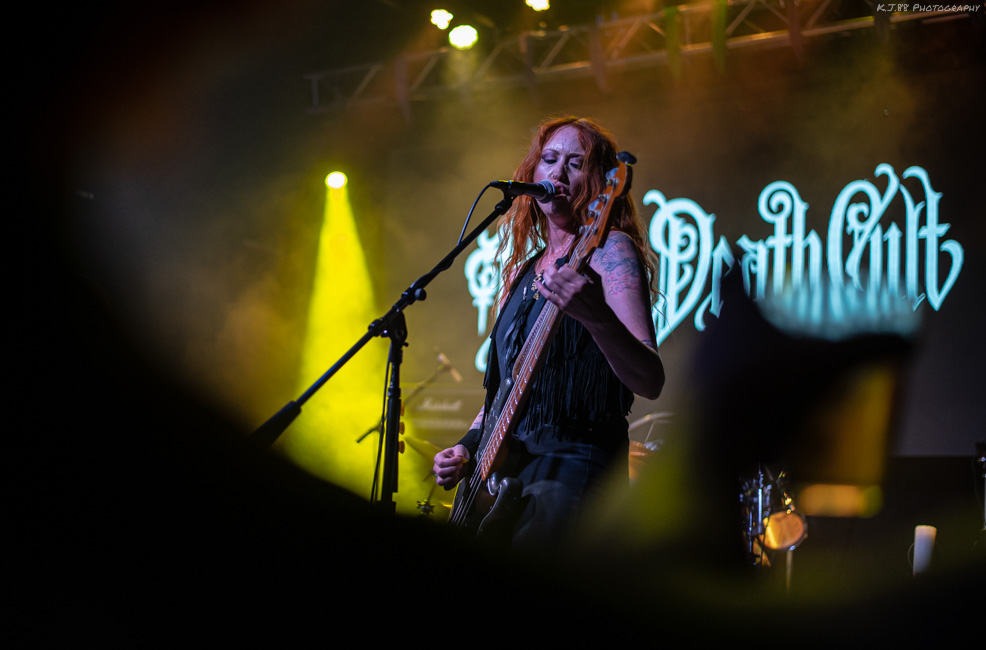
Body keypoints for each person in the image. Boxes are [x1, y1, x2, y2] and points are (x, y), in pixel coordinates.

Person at [433, 116, 664, 549]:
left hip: (572, 468)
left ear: (599, 183)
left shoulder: (609, 250)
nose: (557, 173)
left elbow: (650, 379)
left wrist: (596, 316)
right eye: (549, 159)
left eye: (575, 163)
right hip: (505, 473)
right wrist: (467, 447)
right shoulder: (525, 270)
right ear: (531, 173)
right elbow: (505, 389)